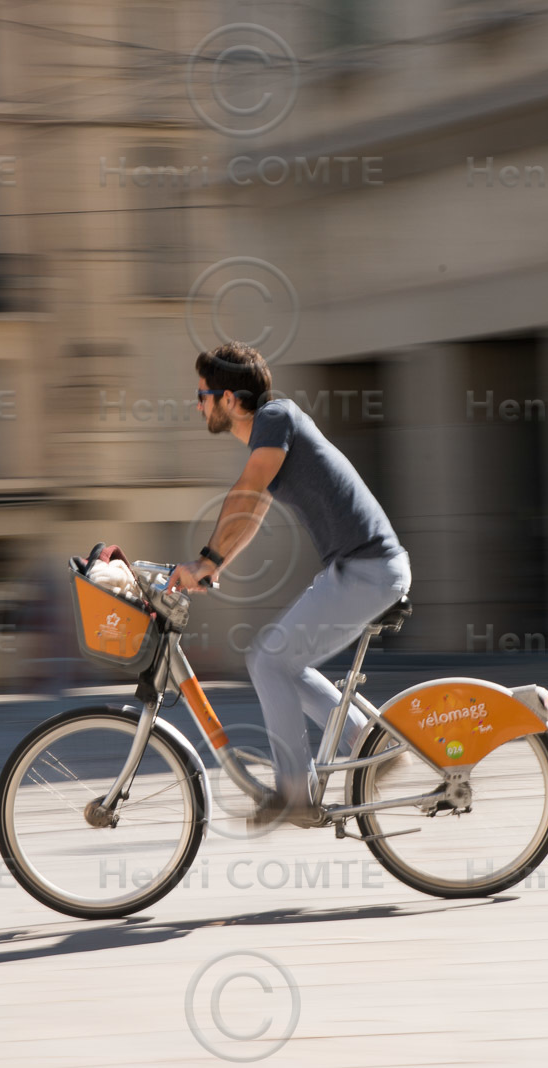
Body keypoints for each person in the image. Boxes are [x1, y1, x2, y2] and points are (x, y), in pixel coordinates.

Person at [172, 341, 411, 828]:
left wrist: (203, 560)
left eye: (203, 396)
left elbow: (246, 491)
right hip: (356, 569)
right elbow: (253, 511)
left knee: (266, 659)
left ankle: (294, 793)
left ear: (231, 400)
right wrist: (215, 564)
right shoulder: (270, 437)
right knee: (279, 660)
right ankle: (371, 742)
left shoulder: (277, 416)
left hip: (369, 568)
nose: (197, 405)